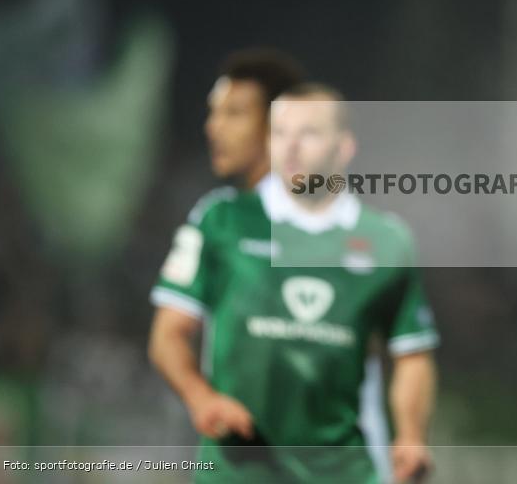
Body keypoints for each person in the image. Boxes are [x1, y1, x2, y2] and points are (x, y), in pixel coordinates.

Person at [149, 75, 439, 483]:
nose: (291, 146)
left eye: (308, 134)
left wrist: (410, 435)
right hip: (236, 470)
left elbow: (412, 353)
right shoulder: (223, 220)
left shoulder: (386, 241)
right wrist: (201, 398)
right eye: (280, 132)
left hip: (342, 472)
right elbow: (168, 334)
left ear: (344, 148)